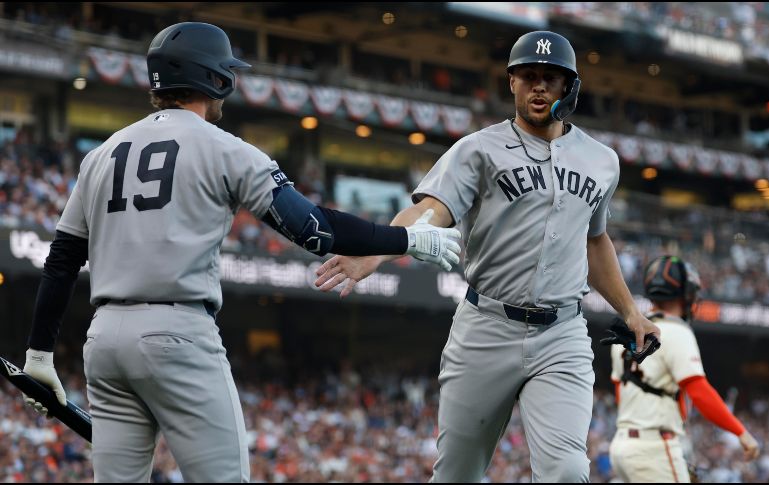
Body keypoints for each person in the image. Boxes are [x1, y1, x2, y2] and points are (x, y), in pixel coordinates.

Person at [20, 22, 461, 483]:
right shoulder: (224, 148)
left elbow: (62, 261)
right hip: (177, 333)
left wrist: (39, 353)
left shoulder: (101, 154)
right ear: (213, 78)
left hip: (105, 341)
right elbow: (315, 230)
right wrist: (406, 239)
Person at [314, 30, 661, 482]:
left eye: (551, 78)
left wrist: (632, 312)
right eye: (528, 76)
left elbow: (595, 241)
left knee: (567, 470)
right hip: (486, 328)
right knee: (457, 474)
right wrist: (376, 250)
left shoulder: (602, 161)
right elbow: (431, 210)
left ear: (569, 86)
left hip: (561, 334)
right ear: (512, 82)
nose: (539, 87)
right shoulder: (477, 149)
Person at [607, 255, 761, 482]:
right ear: (686, 294)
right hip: (654, 448)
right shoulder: (676, 330)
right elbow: (698, 390)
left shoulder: (629, 332)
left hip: (622, 446)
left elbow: (621, 392)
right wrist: (741, 431)